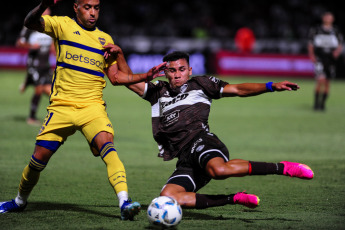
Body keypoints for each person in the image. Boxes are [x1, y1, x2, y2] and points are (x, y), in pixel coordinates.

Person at [0, 0, 166, 220]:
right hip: (61, 107)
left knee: (108, 146)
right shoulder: (61, 25)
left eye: (97, 8)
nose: (93, 12)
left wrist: (146, 75)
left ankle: (124, 202)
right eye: (88, 7)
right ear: (76, 7)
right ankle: (19, 201)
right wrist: (44, 5)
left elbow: (116, 78)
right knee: (38, 159)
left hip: (92, 107)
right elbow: (30, 22)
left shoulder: (105, 39)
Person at [114, 49, 314, 209]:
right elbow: (127, 78)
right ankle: (233, 199)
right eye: (172, 71)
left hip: (202, 142)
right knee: (168, 197)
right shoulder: (158, 91)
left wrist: (271, 86)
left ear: (190, 70)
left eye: (181, 69)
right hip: (184, 157)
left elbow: (237, 89)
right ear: (165, 72)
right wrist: (119, 54)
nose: (177, 75)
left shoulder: (201, 84)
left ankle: (284, 168)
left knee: (219, 170)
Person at [16, 8, 55, 125]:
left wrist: (58, 56)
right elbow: (19, 43)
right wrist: (32, 46)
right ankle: (31, 117)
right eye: (45, 11)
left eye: (49, 12)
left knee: (50, 91)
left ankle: (28, 81)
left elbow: (52, 45)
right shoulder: (30, 27)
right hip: (34, 64)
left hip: (46, 65)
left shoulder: (50, 27)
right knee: (39, 89)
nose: (48, 14)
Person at [308, 11, 343, 111]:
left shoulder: (336, 31)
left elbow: (340, 44)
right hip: (320, 58)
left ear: (333, 19)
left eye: (330, 17)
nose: (328, 19)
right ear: (323, 18)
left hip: (330, 59)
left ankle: (322, 104)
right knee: (320, 81)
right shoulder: (316, 30)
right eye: (326, 17)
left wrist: (337, 52)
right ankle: (316, 104)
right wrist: (312, 55)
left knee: (327, 82)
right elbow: (310, 44)